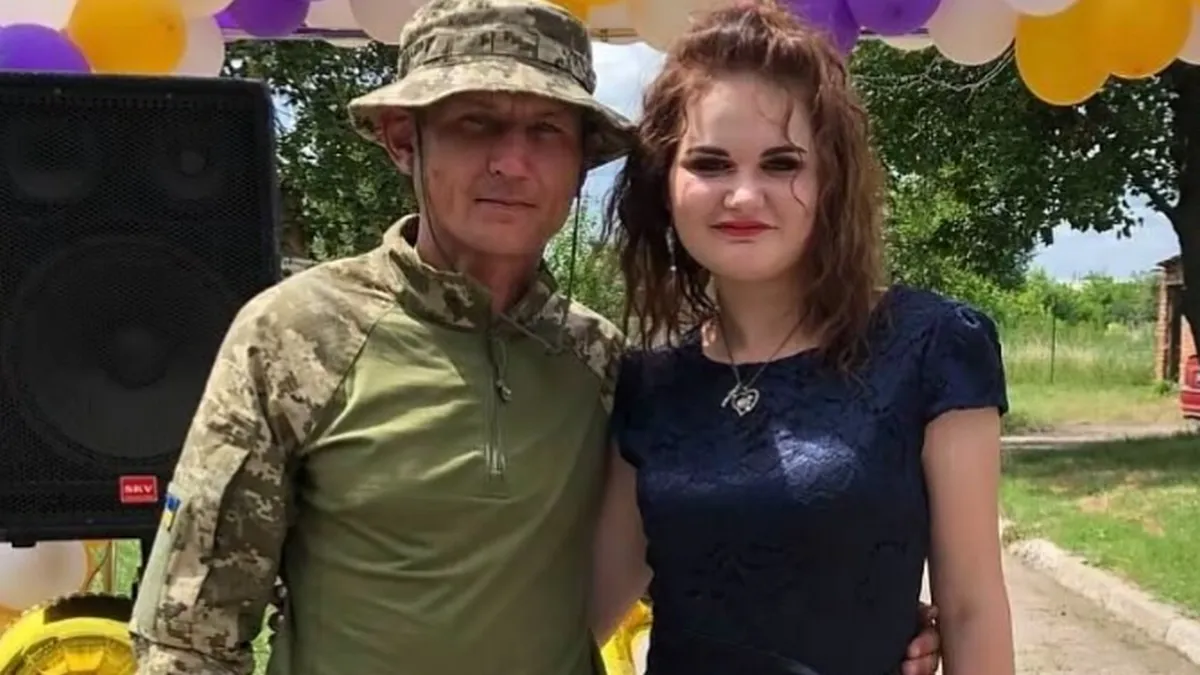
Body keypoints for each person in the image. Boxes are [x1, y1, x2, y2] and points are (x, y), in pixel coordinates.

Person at [127, 0, 945, 673]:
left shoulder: (602, 362)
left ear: (582, 160)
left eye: (546, 131)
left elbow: (700, 547)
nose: (512, 163)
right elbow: (186, 635)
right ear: (405, 140)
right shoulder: (296, 337)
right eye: (476, 124)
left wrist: (859, 607)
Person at [590, 2, 1015, 675]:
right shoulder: (650, 384)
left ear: (829, 181)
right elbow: (586, 609)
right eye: (710, 164)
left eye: (782, 163)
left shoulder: (931, 348)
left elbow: (972, 610)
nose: (743, 195)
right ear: (665, 184)